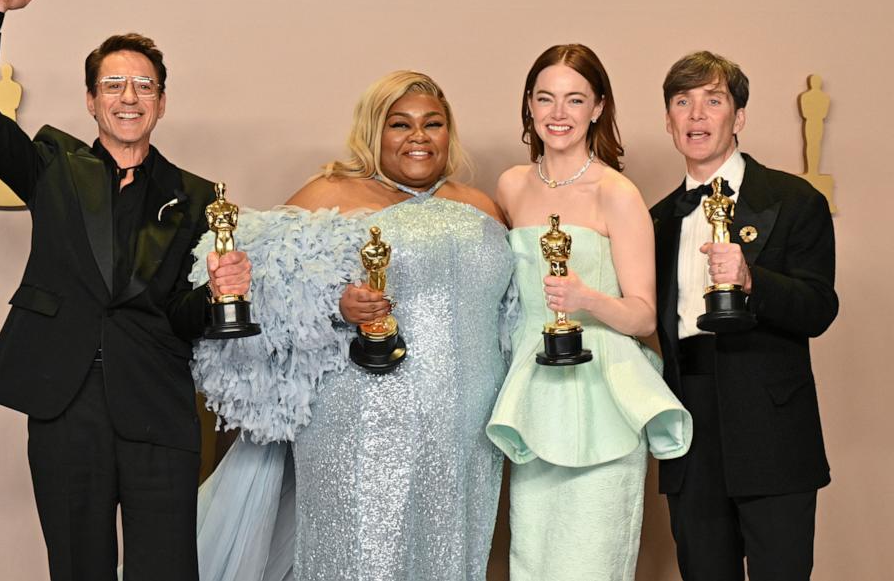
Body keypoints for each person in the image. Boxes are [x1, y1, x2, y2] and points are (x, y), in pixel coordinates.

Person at [0, 0, 251, 581]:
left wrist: (220, 294)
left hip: (157, 404)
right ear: (91, 100)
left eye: (144, 85)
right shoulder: (51, 166)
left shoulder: (198, 196)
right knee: (77, 567)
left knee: (165, 569)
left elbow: (182, 316)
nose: (129, 96)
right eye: (114, 84)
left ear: (162, 102)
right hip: (66, 399)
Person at [190, 71, 513, 580]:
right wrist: (336, 304)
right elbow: (255, 280)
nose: (419, 137)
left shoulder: (480, 205)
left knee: (453, 555)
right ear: (372, 131)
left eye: (433, 123)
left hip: (466, 425)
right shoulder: (333, 190)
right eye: (399, 124)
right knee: (361, 557)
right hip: (361, 417)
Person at [485, 44, 692, 581]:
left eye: (575, 99)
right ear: (529, 105)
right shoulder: (510, 186)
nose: (559, 113)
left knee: (592, 559)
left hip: (603, 386)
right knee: (533, 555)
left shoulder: (617, 193)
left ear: (598, 108)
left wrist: (586, 298)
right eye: (546, 98)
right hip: (536, 387)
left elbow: (644, 316)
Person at [650, 51, 838, 581]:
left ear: (739, 117)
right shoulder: (657, 221)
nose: (697, 116)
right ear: (668, 121)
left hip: (773, 427)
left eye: (713, 101)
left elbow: (820, 307)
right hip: (689, 431)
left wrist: (753, 281)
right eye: (683, 103)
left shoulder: (793, 199)